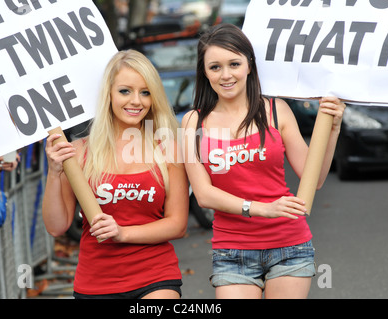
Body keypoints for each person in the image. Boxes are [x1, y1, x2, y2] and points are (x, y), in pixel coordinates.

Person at [181, 24, 345, 299]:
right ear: (204, 71)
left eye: (234, 63)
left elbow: (313, 179)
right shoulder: (192, 122)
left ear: (249, 64)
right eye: (215, 67)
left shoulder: (275, 111)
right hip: (232, 251)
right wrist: (261, 209)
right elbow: (204, 195)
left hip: (290, 245)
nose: (226, 75)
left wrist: (334, 129)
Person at [42, 50, 189, 299]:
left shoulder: (168, 148)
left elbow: (178, 225)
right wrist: (54, 173)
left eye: (145, 92)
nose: (136, 101)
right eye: (125, 91)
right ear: (108, 93)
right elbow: (57, 226)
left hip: (156, 276)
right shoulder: (78, 152)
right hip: (95, 282)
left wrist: (122, 233)